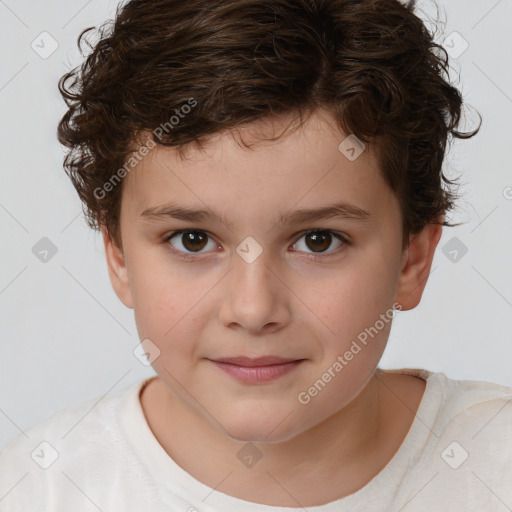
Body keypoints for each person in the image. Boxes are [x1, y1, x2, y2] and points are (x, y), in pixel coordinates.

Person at [1, 0, 510, 510]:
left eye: (318, 240)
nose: (252, 309)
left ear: (411, 260)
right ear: (118, 255)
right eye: (192, 240)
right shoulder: (38, 491)